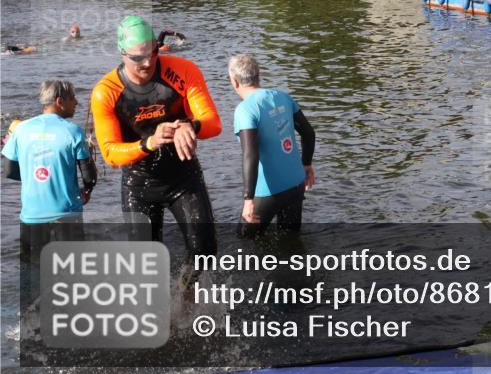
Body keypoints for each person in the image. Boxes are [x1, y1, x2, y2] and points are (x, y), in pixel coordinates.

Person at [91, 16, 221, 286]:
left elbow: (214, 123)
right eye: (138, 58)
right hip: (139, 184)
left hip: (184, 178)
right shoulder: (106, 92)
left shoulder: (184, 71)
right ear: (122, 53)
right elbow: (110, 154)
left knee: (205, 253)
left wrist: (190, 125)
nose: (148, 62)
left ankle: (186, 296)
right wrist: (149, 142)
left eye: (152, 52)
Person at [1, 80, 97, 260]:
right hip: (67, 214)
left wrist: (35, 179)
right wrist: (88, 190)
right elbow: (89, 175)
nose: (77, 102)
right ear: (60, 102)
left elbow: (9, 171)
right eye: (73, 98)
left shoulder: (21, 130)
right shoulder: (73, 131)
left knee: (33, 272)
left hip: (31, 215)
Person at [228, 54, 315, 237]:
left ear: (234, 81)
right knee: (290, 241)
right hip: (296, 184)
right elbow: (308, 133)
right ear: (258, 75)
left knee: (243, 243)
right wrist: (306, 165)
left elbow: (250, 155)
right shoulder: (282, 97)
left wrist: (248, 199)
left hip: (268, 192)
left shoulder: (245, 110)